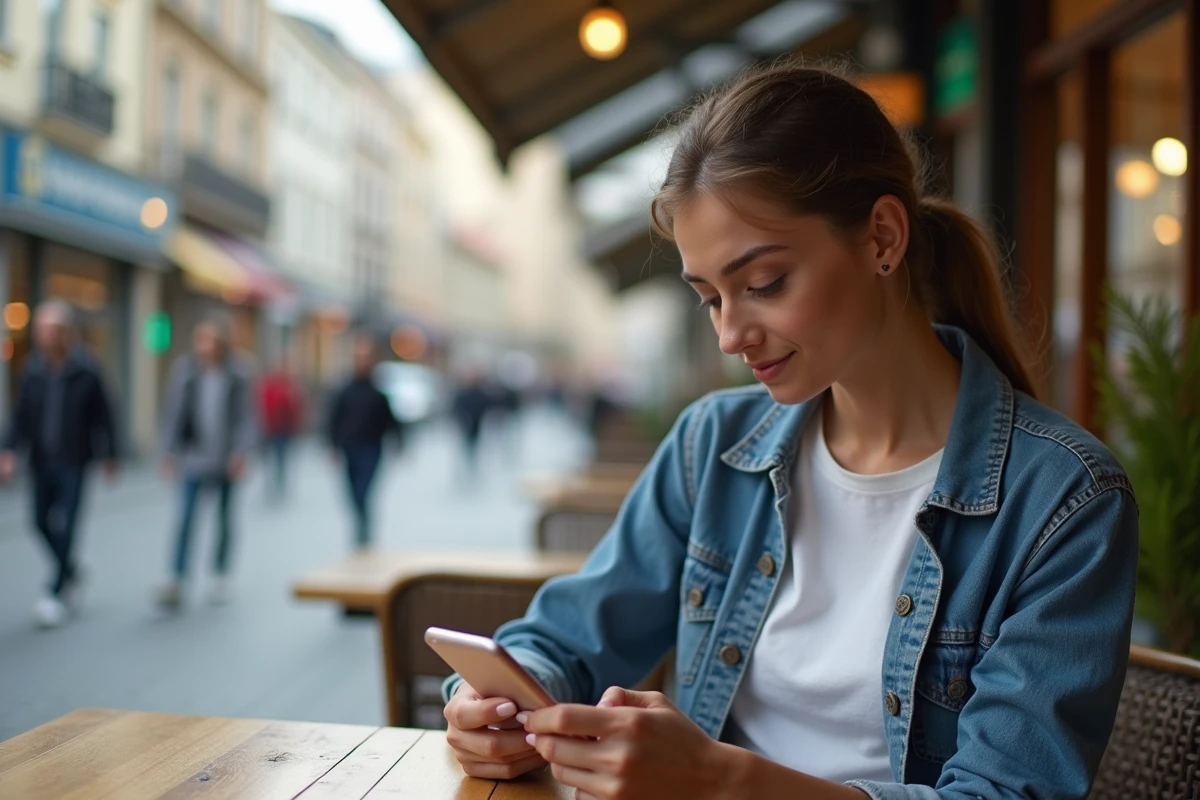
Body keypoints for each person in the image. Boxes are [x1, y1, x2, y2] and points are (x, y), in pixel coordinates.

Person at [440, 63, 1139, 800]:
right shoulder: (712, 445)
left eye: (763, 284)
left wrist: (717, 780)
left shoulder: (1065, 502)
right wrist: (494, 703)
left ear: (881, 238)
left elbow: (1007, 793)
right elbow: (566, 637)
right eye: (710, 298)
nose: (731, 335)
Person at [0, 301, 118, 628]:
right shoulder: (33, 370)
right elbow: (20, 415)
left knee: (66, 523)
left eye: (48, 330)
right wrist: (8, 450)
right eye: (39, 329)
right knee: (38, 520)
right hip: (41, 460)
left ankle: (55, 590)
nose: (41, 336)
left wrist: (109, 455)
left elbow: (103, 415)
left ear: (64, 333)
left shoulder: (86, 369)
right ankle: (71, 570)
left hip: (74, 460)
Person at [157, 314, 257, 609]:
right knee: (186, 519)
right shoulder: (186, 372)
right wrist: (169, 453)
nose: (204, 346)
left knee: (225, 519)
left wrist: (242, 452)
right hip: (193, 458)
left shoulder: (238, 372)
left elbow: (247, 418)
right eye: (200, 339)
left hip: (226, 460)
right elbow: (173, 413)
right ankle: (177, 576)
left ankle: (220, 572)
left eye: (210, 340)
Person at [326, 333, 399, 549]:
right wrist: (332, 446)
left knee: (363, 492)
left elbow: (390, 421)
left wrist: (399, 442)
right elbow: (333, 419)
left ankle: (364, 534)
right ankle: (361, 528)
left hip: (372, 448)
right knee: (351, 493)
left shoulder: (378, 393)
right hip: (349, 447)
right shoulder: (344, 390)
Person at [257, 360, 303, 502]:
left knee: (280, 457)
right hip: (268, 429)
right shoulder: (267, 388)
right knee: (269, 458)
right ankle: (271, 484)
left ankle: (279, 482)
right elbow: (260, 408)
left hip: (282, 430)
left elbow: (294, 408)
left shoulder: (288, 388)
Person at [451, 370, 492, 477]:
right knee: (465, 447)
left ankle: (472, 468)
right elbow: (456, 408)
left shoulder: (480, 394)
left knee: (474, 447)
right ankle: (464, 470)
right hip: (465, 425)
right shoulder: (462, 394)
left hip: (476, 424)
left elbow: (486, 406)